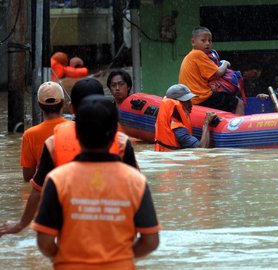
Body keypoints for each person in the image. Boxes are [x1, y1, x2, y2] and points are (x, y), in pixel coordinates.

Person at [32, 95, 160, 269]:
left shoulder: (57, 179)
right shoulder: (135, 181)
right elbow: (150, 241)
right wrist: (119, 258)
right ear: (116, 132)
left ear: (76, 133)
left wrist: (67, 258)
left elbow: (44, 241)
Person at [0, 78, 139, 237]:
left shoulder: (54, 141)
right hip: (113, 227)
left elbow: (37, 189)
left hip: (71, 228)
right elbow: (138, 188)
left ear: (71, 108)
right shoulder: (122, 140)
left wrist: (21, 224)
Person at [178, 26, 244, 115]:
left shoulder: (190, 56)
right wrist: (225, 63)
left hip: (191, 97)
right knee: (238, 102)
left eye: (210, 40)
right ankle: (238, 127)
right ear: (193, 42)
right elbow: (219, 72)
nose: (207, 43)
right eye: (203, 40)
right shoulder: (198, 54)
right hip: (201, 97)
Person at [20, 81, 68, 182]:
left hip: (46, 188)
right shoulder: (77, 128)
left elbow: (28, 176)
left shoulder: (30, 134)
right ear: (63, 102)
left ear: (39, 105)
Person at [154, 84, 217, 151]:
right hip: (172, 160)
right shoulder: (177, 127)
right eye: (186, 101)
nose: (190, 104)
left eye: (189, 100)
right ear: (176, 102)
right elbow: (202, 149)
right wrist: (206, 124)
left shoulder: (172, 119)